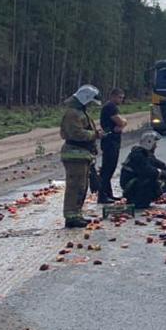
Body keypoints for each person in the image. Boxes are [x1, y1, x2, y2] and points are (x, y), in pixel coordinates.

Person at [60, 84, 102, 228]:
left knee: (82, 186)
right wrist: (94, 135)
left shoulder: (81, 112)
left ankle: (76, 214)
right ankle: (71, 216)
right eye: (90, 102)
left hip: (81, 154)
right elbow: (76, 133)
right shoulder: (73, 114)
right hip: (74, 154)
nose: (91, 105)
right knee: (75, 186)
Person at [120, 131, 166, 209]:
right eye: (154, 144)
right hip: (130, 184)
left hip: (133, 181)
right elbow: (148, 170)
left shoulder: (144, 153)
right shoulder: (138, 155)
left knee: (154, 181)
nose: (155, 146)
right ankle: (140, 201)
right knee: (150, 180)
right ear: (149, 143)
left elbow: (156, 162)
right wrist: (162, 173)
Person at [96, 88, 128, 204]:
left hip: (112, 140)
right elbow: (120, 122)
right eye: (120, 97)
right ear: (113, 96)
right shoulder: (110, 107)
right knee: (108, 169)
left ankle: (108, 194)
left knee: (109, 168)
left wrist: (122, 123)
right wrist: (123, 122)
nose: (121, 100)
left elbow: (121, 122)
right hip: (110, 141)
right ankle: (102, 195)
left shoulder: (110, 107)